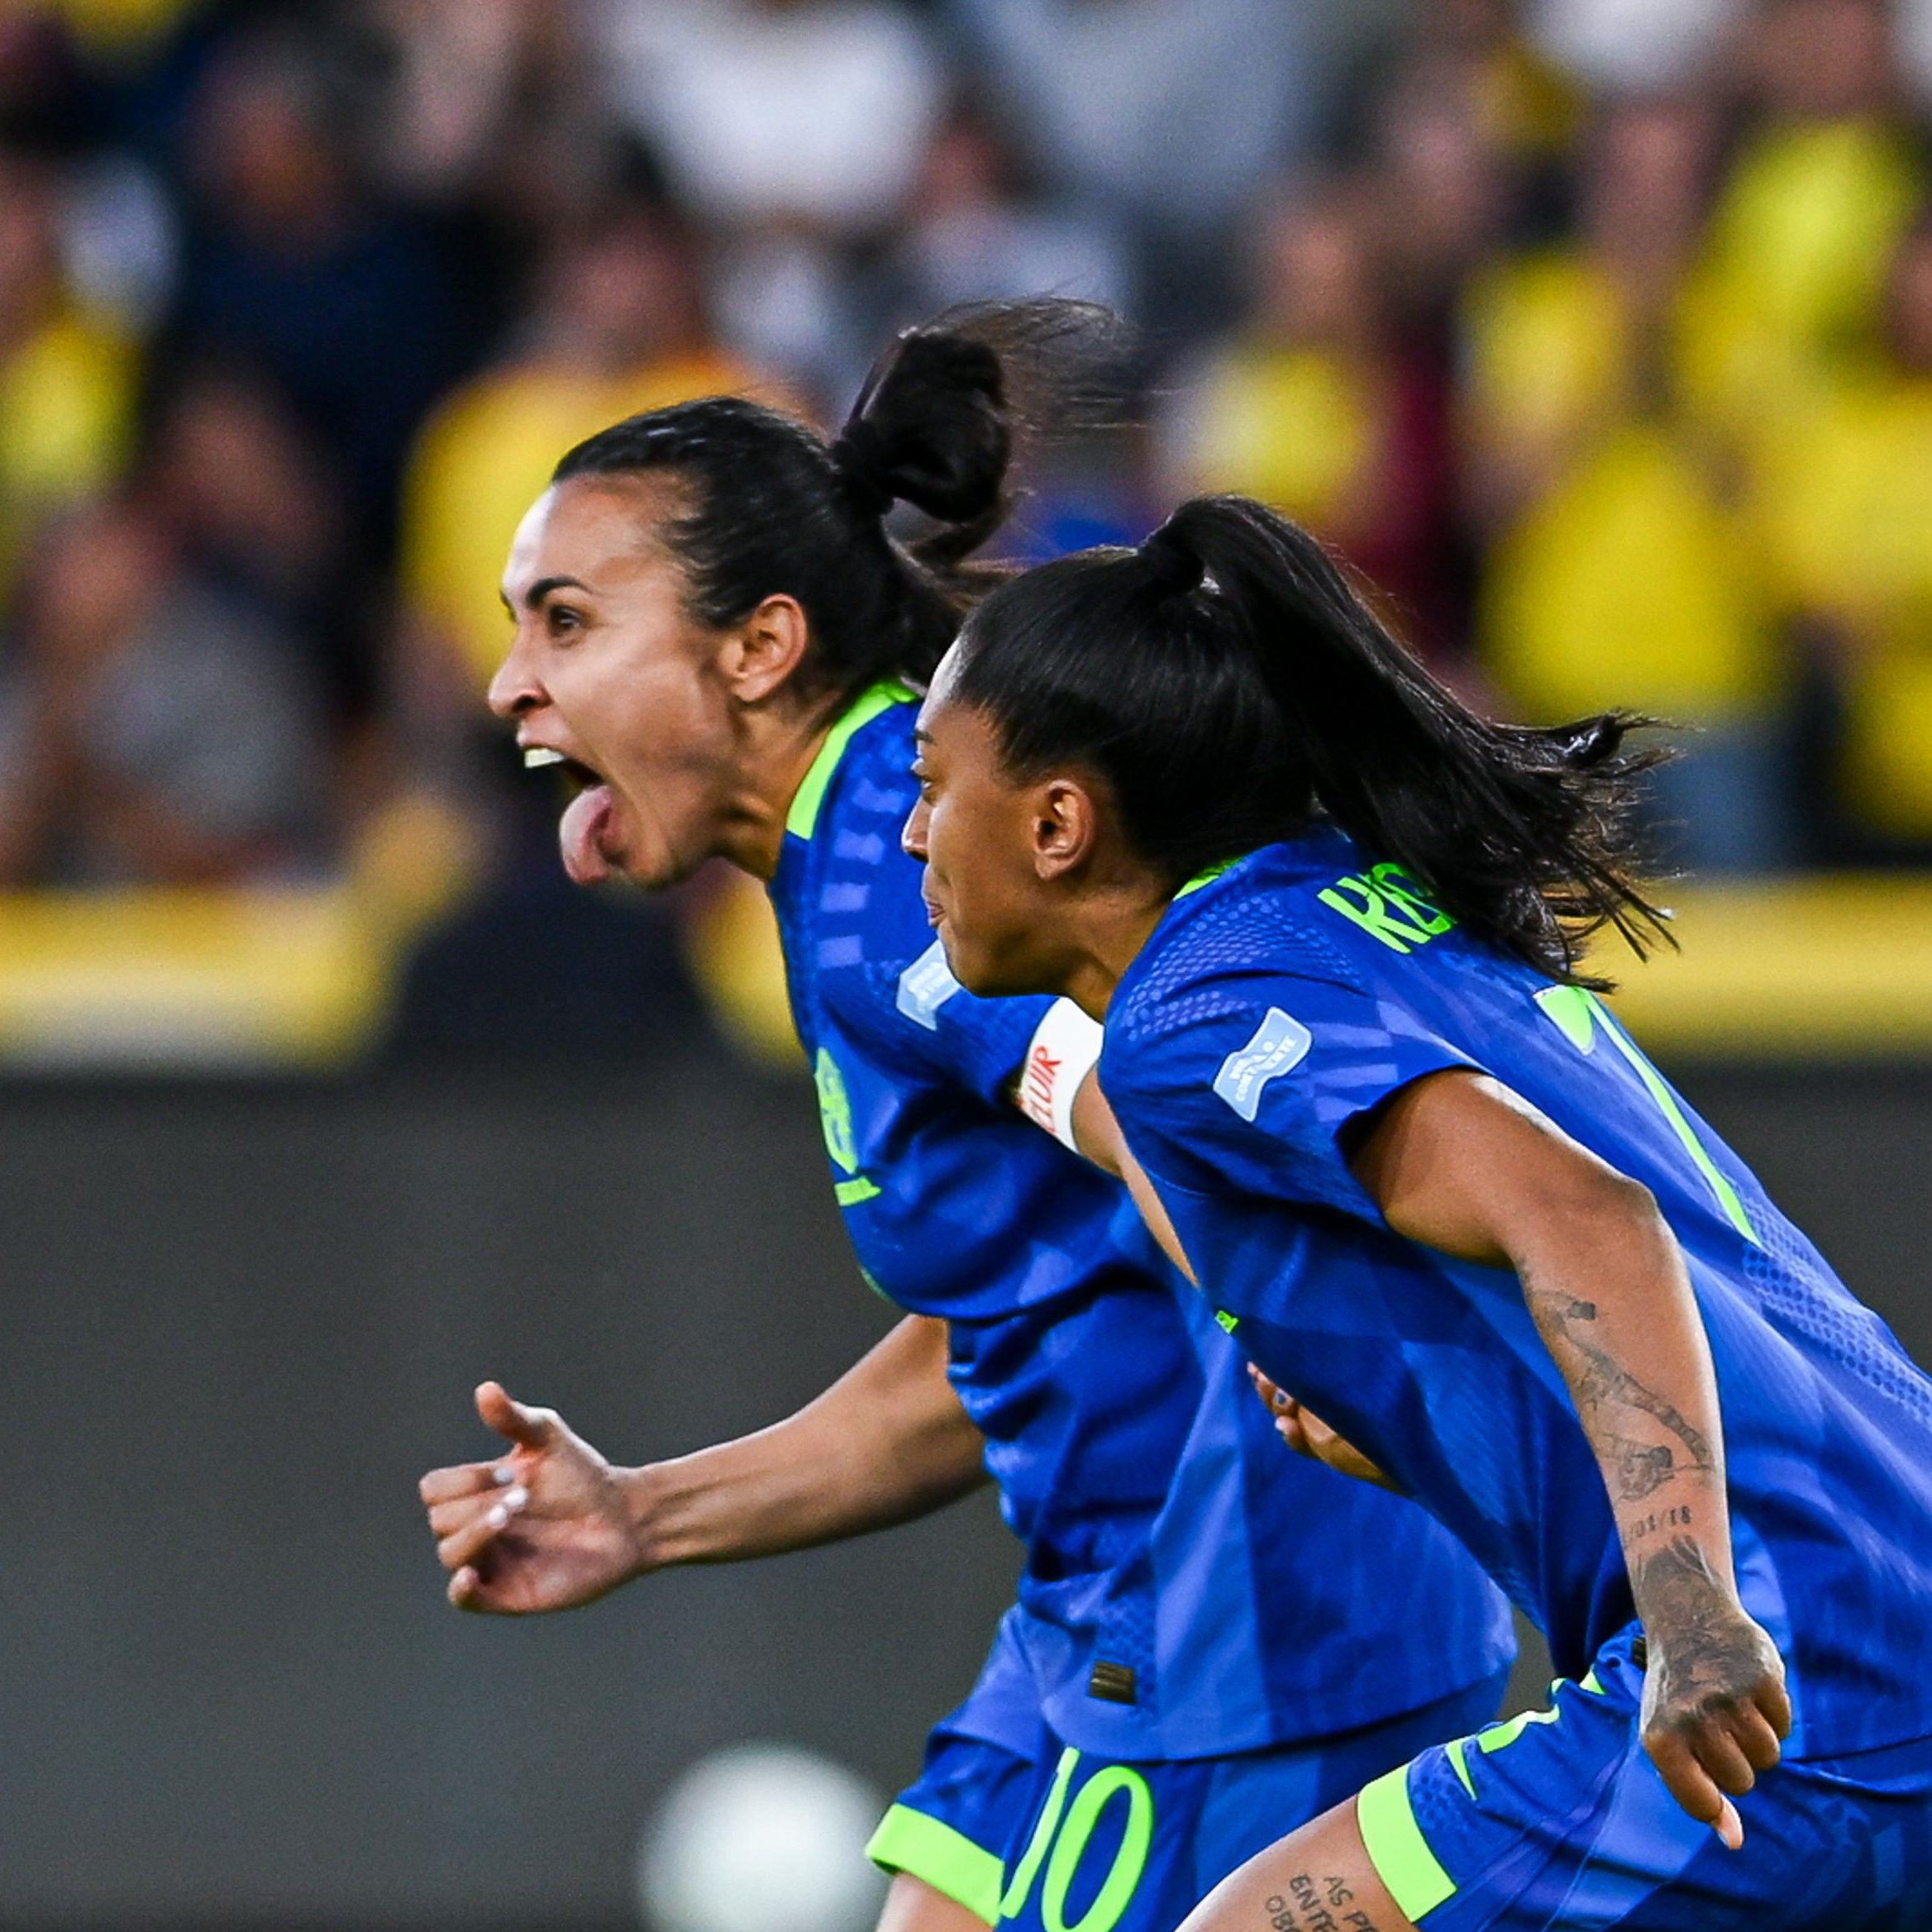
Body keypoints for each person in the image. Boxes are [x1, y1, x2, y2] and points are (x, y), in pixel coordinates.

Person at [417, 305, 1517, 1932]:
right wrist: (645, 1512)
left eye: (566, 622)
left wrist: (1344, 1386)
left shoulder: (903, 865)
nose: (510, 680)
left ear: (758, 647)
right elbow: (1001, 1330)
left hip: (1243, 1633)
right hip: (1109, 1621)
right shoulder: (865, 838)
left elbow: (1174, 1114)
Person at [901, 492, 1932, 1930]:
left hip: (1794, 1674)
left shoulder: (1193, 1008)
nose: (911, 833)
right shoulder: (1362, 901)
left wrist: (1694, 1606)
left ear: (1058, 822)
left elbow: (1590, 1217)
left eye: (929, 782)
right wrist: (1402, 1423)